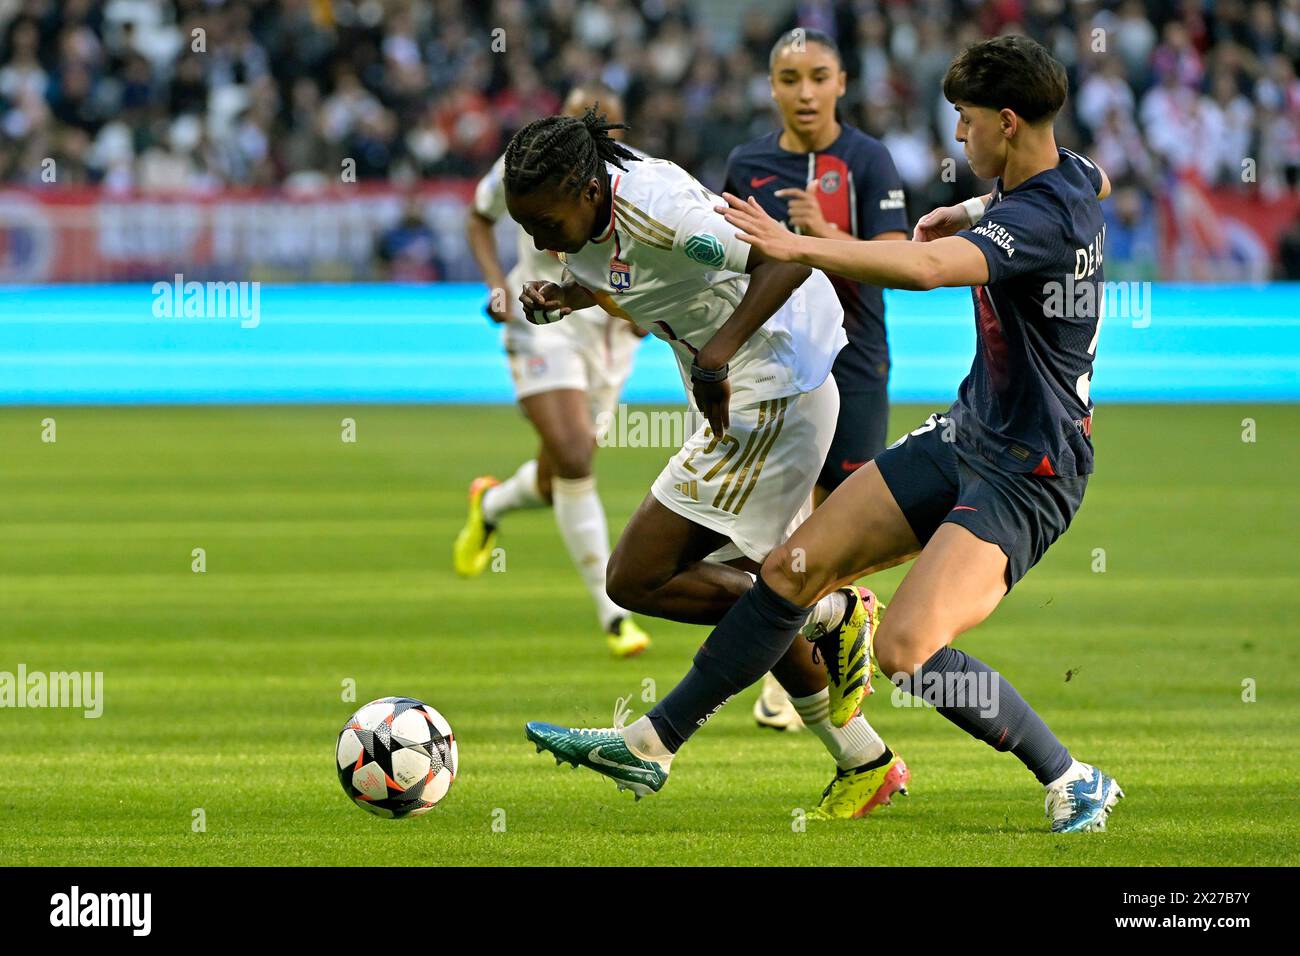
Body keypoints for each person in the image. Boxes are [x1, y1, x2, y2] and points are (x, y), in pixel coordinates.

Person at [529, 36, 1125, 833]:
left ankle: (1073, 776)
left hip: (1032, 470)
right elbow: (1093, 177)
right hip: (966, 434)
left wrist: (799, 243)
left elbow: (924, 272)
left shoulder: (1043, 219)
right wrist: (976, 205)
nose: (958, 137)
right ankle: (655, 742)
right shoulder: (1073, 179)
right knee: (788, 572)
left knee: (906, 652)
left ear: (1008, 123)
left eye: (967, 120)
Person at [509, 106, 909, 818]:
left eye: (544, 224)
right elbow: (640, 279)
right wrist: (569, 296)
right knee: (759, 588)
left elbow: (789, 255)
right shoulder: (590, 205)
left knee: (636, 575)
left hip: (772, 385)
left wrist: (718, 356)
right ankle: (864, 759)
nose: (538, 239)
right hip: (753, 388)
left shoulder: (663, 213)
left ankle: (830, 610)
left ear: (586, 187)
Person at [723, 28, 909, 732]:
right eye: (790, 78)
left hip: (856, 361)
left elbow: (898, 256)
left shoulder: (868, 159)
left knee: (842, 527)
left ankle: (818, 660)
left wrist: (824, 232)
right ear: (772, 86)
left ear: (841, 83)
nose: (805, 92)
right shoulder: (749, 162)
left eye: (818, 76)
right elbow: (731, 256)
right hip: (775, 366)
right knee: (780, 529)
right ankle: (794, 672)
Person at [455, 85, 651, 657]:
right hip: (540, 315)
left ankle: (490, 504)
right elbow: (477, 216)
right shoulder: (525, 162)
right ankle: (613, 615)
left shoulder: (635, 180)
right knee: (573, 455)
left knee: (558, 475)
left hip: (608, 332)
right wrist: (497, 282)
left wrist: (649, 308)